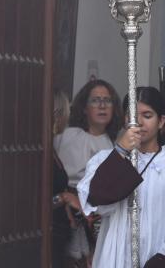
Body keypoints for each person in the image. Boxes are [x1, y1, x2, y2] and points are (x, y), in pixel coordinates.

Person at [77, 86, 165, 267]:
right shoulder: (104, 160)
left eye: (147, 116)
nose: (139, 122)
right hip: (114, 259)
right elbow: (96, 199)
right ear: (125, 120)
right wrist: (121, 151)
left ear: (161, 122)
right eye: (132, 115)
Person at [54, 79, 123, 266]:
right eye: (95, 100)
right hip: (64, 218)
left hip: (97, 221)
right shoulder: (67, 137)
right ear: (84, 108)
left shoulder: (115, 146)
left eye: (107, 100)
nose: (102, 105)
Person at [52, 91, 83, 268]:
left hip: (62, 233)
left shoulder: (53, 147)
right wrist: (64, 198)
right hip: (51, 233)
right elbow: (40, 203)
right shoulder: (41, 150)